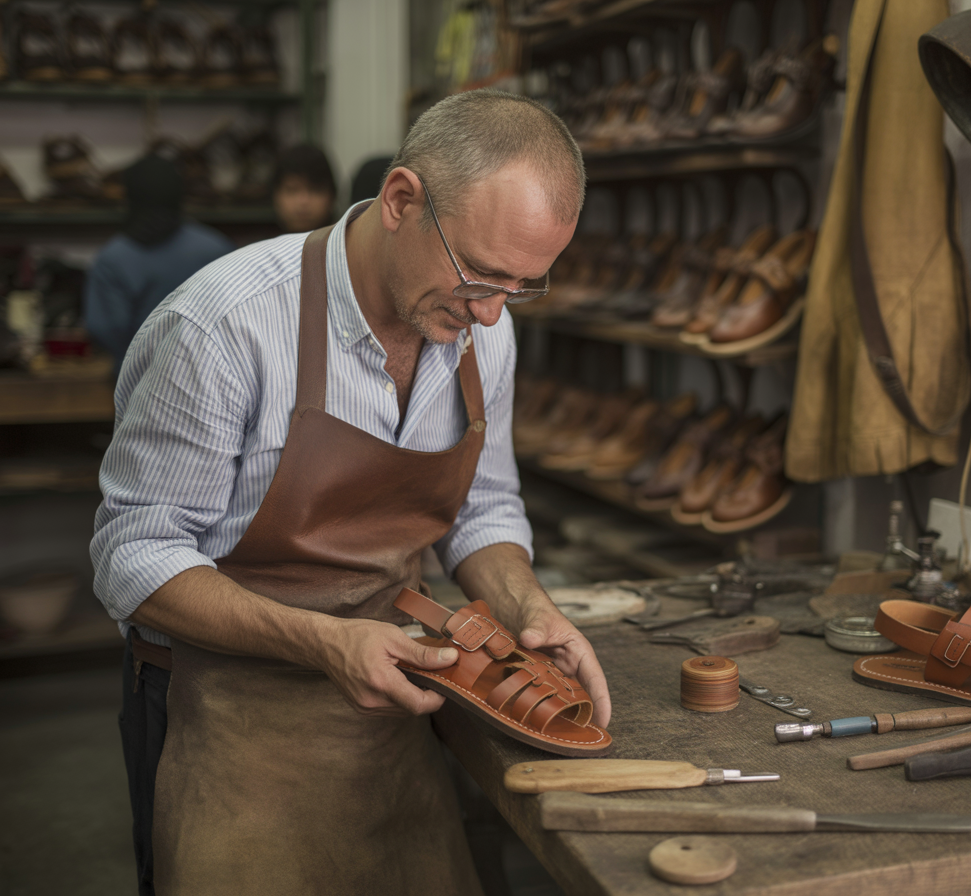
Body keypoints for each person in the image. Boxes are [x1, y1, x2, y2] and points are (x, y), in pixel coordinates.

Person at [90, 88, 609, 896]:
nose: (492, 312)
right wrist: (327, 643)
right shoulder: (225, 328)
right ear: (402, 200)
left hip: (391, 701)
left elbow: (483, 508)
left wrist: (527, 606)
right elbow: (135, 556)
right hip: (219, 705)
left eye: (521, 286)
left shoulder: (481, 328)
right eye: (480, 276)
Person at [83, 155, 232, 374]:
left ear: (129, 196)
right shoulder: (215, 248)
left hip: (139, 381)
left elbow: (105, 328)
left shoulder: (114, 257)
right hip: (213, 378)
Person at [271, 142, 336, 232]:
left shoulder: (349, 245)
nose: (304, 201)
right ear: (276, 195)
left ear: (332, 196)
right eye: (292, 190)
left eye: (315, 190)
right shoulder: (258, 246)